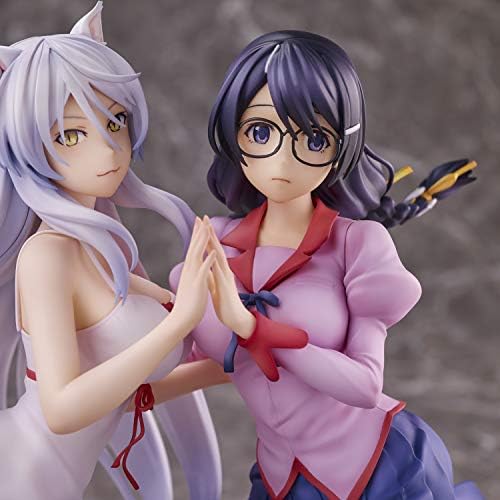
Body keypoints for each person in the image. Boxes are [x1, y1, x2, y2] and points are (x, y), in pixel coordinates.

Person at [167, 31, 483, 499]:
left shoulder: (357, 245)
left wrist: (252, 327)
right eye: (260, 132)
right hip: (282, 475)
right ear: (233, 133)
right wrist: (131, 391)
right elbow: (214, 361)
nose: (282, 159)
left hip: (376, 469)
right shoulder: (216, 243)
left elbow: (365, 385)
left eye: (313, 138)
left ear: (341, 145)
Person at [0, 3, 226, 499]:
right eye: (70, 134)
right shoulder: (45, 256)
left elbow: (120, 397)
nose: (107, 150)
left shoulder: (99, 249)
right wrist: (178, 323)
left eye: (115, 121)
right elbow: (61, 410)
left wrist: (226, 369)